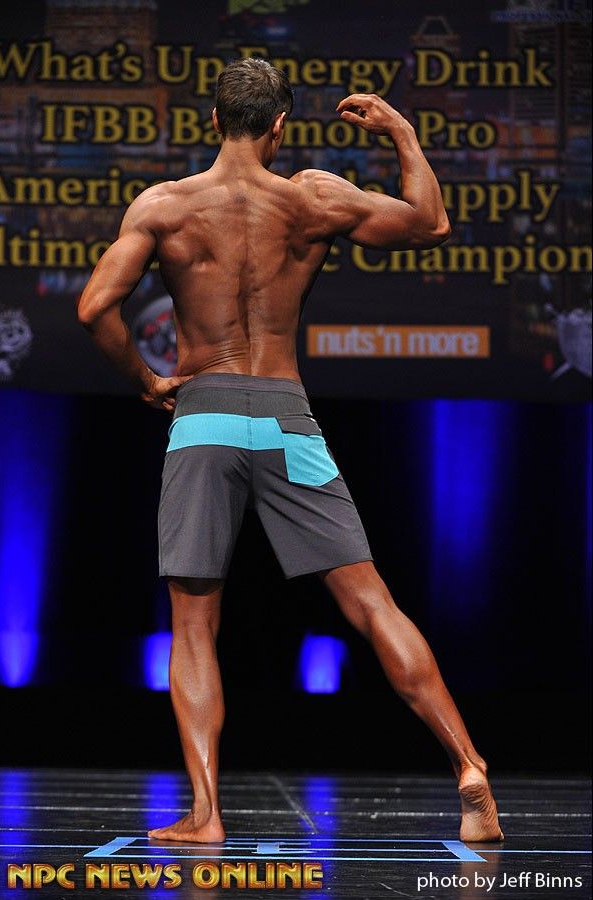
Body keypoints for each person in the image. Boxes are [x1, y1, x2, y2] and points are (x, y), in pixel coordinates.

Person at [77, 58, 504, 845]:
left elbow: (95, 307)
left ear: (214, 121)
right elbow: (430, 223)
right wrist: (403, 134)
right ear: (280, 126)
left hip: (204, 419)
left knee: (194, 626)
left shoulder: (166, 206)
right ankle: (469, 766)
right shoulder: (312, 198)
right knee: (371, 603)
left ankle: (207, 814)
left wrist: (146, 378)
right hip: (288, 420)